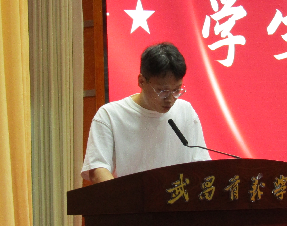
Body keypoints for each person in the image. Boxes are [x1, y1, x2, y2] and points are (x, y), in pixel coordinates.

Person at [82, 42, 211, 184]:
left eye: (176, 90)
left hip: (178, 195)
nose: (170, 99)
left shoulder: (186, 111)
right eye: (162, 91)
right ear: (141, 81)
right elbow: (98, 169)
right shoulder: (110, 115)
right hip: (131, 197)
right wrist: (123, 196)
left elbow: (201, 164)